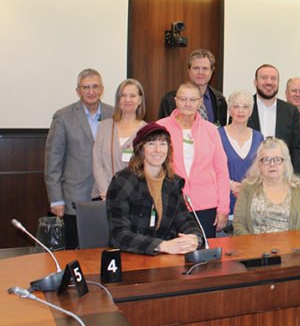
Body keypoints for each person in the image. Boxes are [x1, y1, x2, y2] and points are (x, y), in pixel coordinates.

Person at [106, 123, 204, 255]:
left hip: (163, 257)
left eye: (163, 144)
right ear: (141, 149)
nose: (158, 150)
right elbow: (119, 235)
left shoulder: (173, 182)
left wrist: (194, 238)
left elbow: (185, 219)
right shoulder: (123, 181)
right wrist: (160, 245)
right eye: (151, 144)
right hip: (130, 255)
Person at [45, 68, 114, 249]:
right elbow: (53, 161)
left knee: (105, 249)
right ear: (78, 91)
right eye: (85, 87)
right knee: (76, 251)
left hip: (106, 193)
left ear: (101, 89)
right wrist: (56, 199)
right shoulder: (63, 116)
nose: (90, 92)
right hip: (75, 196)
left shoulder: (114, 114)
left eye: (94, 87)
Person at [157, 82, 230, 238]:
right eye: (183, 99)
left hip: (205, 205)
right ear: (176, 101)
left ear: (200, 102)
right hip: (170, 204)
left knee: (203, 254)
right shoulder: (160, 128)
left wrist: (223, 209)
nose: (188, 104)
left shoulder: (211, 130)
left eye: (193, 99)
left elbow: (221, 171)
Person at [233, 138, 300, 235]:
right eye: (266, 160)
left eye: (277, 159)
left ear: (285, 163)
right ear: (259, 164)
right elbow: (239, 224)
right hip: (255, 248)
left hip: (293, 248)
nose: (272, 164)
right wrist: (253, 247)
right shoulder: (247, 187)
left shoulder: (299, 188)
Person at [93, 79, 147, 199]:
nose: (127, 100)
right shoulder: (104, 127)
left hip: (134, 197)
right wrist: (105, 192)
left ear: (140, 100)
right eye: (123, 96)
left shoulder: (146, 131)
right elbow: (97, 162)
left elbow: (145, 168)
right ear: (118, 100)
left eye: (132, 96)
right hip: (104, 196)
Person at [218, 90, 264, 232]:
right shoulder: (217, 135)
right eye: (236, 106)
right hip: (225, 207)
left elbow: (263, 170)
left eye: (245, 107)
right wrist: (230, 184)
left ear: (250, 111)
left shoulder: (258, 137)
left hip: (251, 206)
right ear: (230, 110)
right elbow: (210, 170)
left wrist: (247, 186)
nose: (240, 111)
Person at [247, 64, 300, 175]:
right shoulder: (243, 108)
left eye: (273, 78)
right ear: (255, 82)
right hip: (250, 176)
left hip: (281, 178)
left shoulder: (290, 111)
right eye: (264, 78)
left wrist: (295, 179)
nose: (269, 82)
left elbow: (296, 149)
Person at [158, 49, 227, 126]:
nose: (201, 73)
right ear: (189, 71)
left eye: (205, 68)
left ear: (211, 71)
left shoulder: (220, 100)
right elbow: (162, 134)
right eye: (196, 68)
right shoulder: (169, 100)